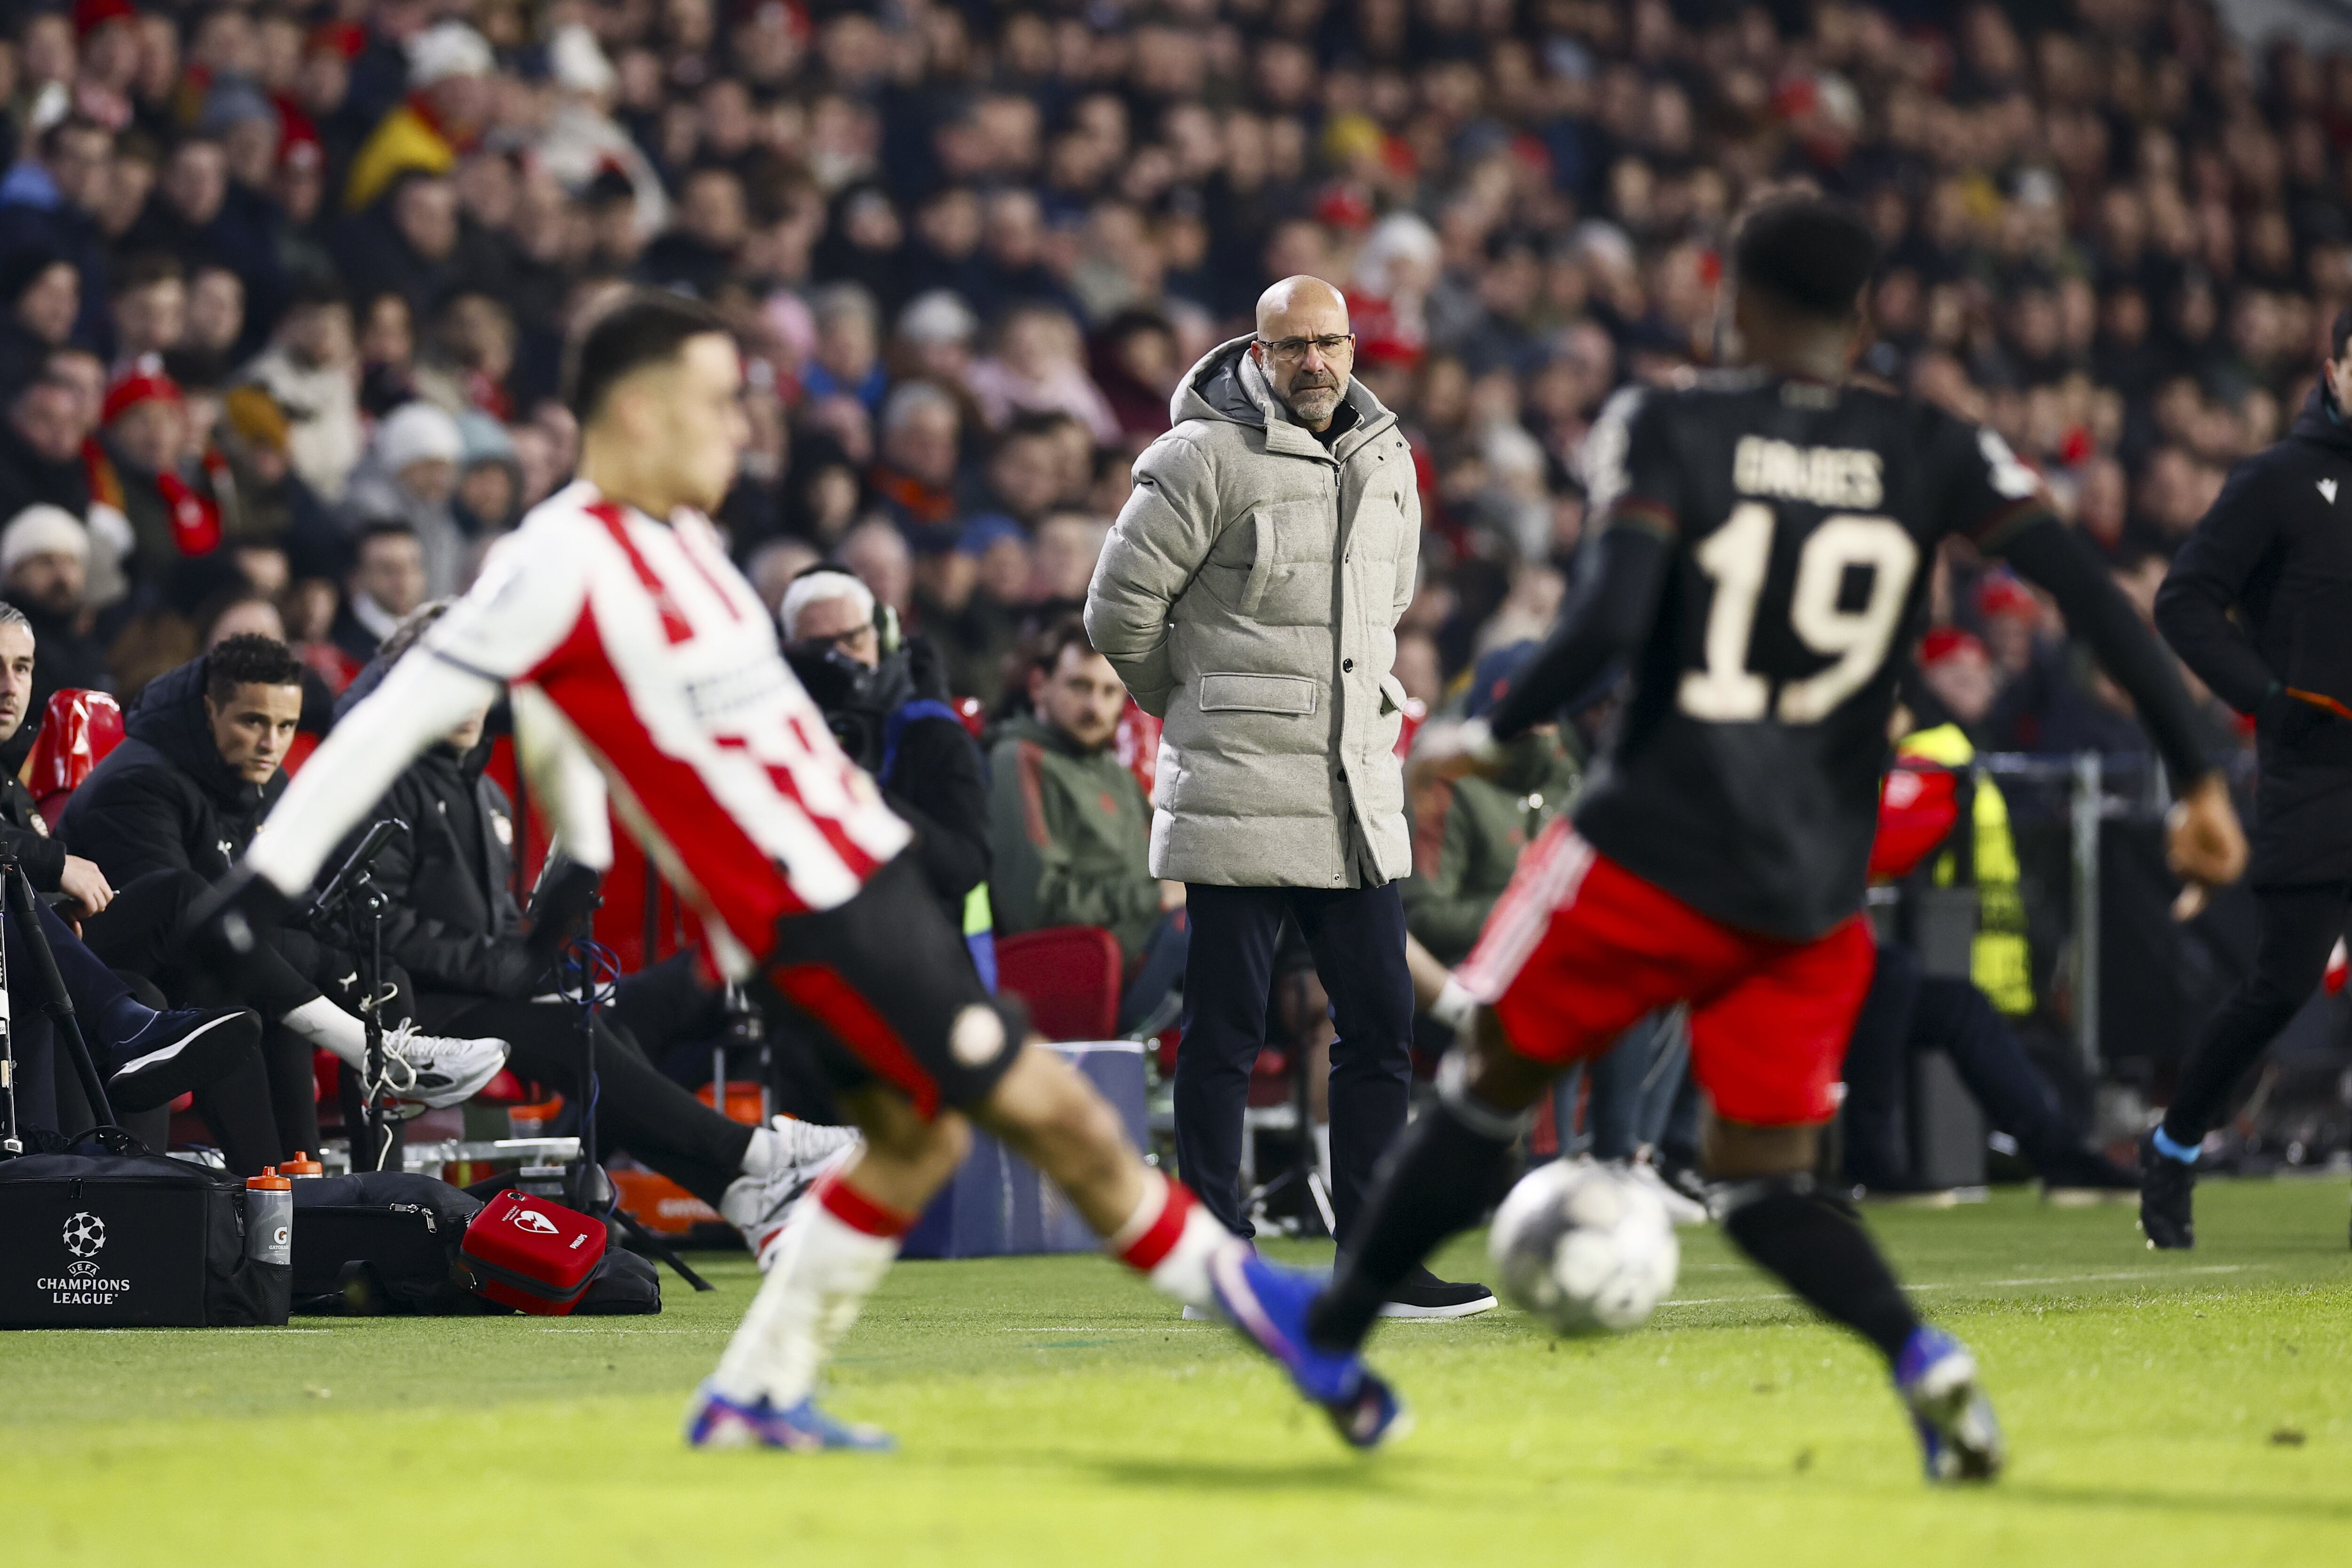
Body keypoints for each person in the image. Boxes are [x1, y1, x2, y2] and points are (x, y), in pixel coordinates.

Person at [1215, 197, 2245, 1467]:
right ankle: (1930, 1364)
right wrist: (2198, 776)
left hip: (1647, 843)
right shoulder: (1937, 445)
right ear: (1866, 317)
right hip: (1807, 886)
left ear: (1736, 306)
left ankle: (1335, 1331)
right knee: (1762, 1183)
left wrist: (1497, 727)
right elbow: (2096, 599)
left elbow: (1600, 624)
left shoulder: (1673, 422)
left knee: (1486, 1082)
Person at [193, 291, 1252, 1452]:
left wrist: (576, 868)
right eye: (716, 402)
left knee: (925, 1131)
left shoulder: (677, 555)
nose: (741, 430)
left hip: (820, 894)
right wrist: (268, 887)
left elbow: (581, 729)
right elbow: (384, 743)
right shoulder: (553, 560)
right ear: (641, 411)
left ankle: (758, 1317)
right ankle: (1264, 1303)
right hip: (776, 917)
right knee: (1020, 1110)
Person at [1086, 273, 1492, 1318]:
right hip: (1237, 788)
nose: (1313, 361)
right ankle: (1214, 1260)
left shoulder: (1390, 458)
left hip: (1352, 790)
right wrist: (1203, 708)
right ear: (1255, 353)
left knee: (1383, 1023)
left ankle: (1374, 1257)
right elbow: (1117, 613)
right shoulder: (1199, 456)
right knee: (1222, 1033)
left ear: (1354, 350)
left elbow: (1384, 611)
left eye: (1330, 342)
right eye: (1292, 345)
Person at [333, 605, 858, 1261]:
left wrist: (534, 968)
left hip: (483, 994)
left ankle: (742, 1197)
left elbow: (493, 924)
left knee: (611, 1022)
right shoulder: (381, 778)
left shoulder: (485, 793)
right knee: (574, 1032)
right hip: (414, 1008)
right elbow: (382, 925)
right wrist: (507, 972)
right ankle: (753, 1155)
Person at [61, 634, 508, 1152]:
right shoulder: (139, 783)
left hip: (228, 969)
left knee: (380, 974)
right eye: (253, 722)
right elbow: (185, 930)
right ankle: (310, 1137)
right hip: (147, 975)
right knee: (238, 987)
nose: (272, 743)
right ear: (210, 709)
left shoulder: (261, 775)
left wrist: (347, 946)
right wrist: (317, 958)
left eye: (286, 726)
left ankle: (376, 1191)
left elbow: (296, 901)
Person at [2144, 305, 2352, 1249]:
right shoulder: (2275, 479)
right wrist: (2266, 699)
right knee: (2280, 984)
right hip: (2314, 770)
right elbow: (2183, 600)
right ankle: (2175, 1142)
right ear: (2334, 367)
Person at [0, 602, 274, 1167]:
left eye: (23, 667)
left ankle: (136, 1185)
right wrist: (54, 864)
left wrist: (48, 904)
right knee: (178, 899)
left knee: (154, 987)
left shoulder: (11, 780)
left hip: (21, 958)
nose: (10, 686)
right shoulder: (135, 778)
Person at [988, 616, 1186, 1033]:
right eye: (1079, 686)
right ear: (1039, 686)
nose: (1095, 707)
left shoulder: (1111, 770)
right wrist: (1154, 897)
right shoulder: (1018, 760)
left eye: (1110, 691)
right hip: (1083, 966)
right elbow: (1035, 906)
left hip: (1148, 945)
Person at [779, 568, 992, 952]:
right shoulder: (776, 738)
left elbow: (966, 865)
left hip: (918, 954)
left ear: (883, 636)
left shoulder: (932, 732)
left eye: (853, 639)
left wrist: (866, 798)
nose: (841, 659)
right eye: (821, 648)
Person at [328, 520, 428, 666]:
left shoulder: (437, 636)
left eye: (412, 567)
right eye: (388, 570)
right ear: (358, 578)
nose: (403, 580)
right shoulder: (338, 651)